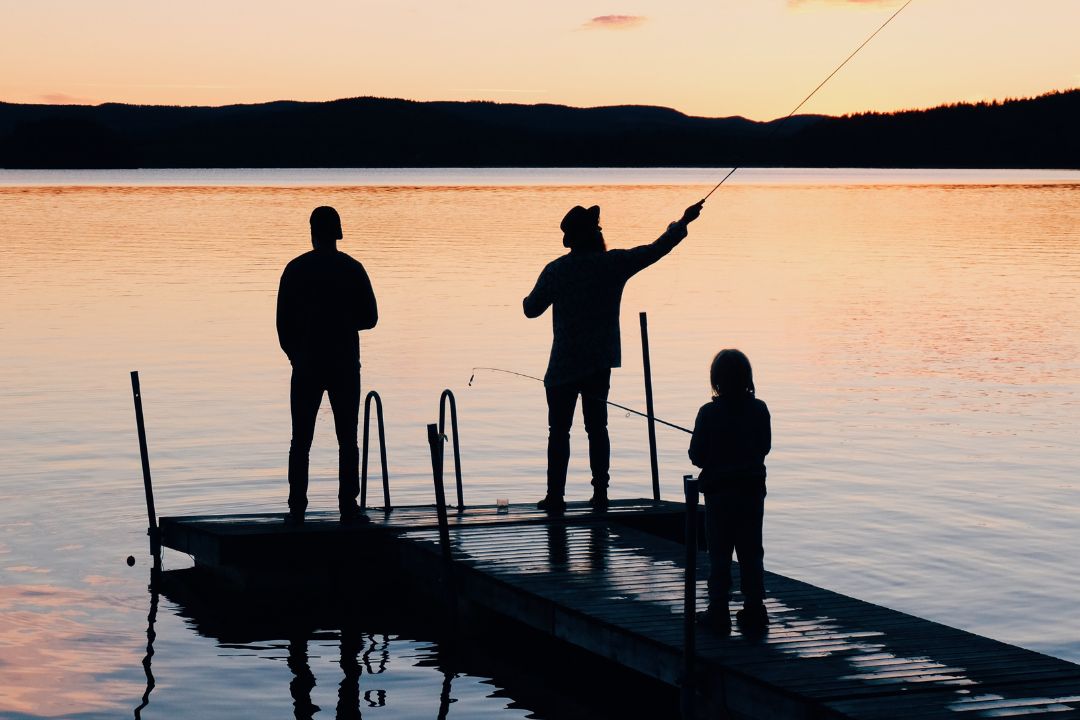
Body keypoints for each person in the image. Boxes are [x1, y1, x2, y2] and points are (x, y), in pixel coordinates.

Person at [523, 200, 705, 513]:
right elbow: (655, 249)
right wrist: (683, 222)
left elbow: (530, 309)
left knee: (558, 432)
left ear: (571, 240)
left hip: (563, 366)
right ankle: (601, 494)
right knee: (597, 429)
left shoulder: (556, 270)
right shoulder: (613, 265)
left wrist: (534, 295)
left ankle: (555, 496)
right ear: (596, 235)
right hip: (598, 364)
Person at [277, 206, 378, 525]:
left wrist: (296, 355)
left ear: (312, 232)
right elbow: (371, 318)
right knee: (347, 437)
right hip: (344, 364)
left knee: (300, 439)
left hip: (306, 364)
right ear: (338, 232)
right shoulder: (353, 268)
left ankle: (297, 507)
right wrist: (345, 323)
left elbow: (283, 323)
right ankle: (348, 504)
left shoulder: (295, 269)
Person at [689, 349, 772, 633]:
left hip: (719, 494)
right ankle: (754, 608)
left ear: (717, 381)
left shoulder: (708, 413)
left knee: (720, 553)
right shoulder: (759, 409)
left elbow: (697, 456)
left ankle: (718, 610)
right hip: (751, 494)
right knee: (751, 551)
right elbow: (764, 448)